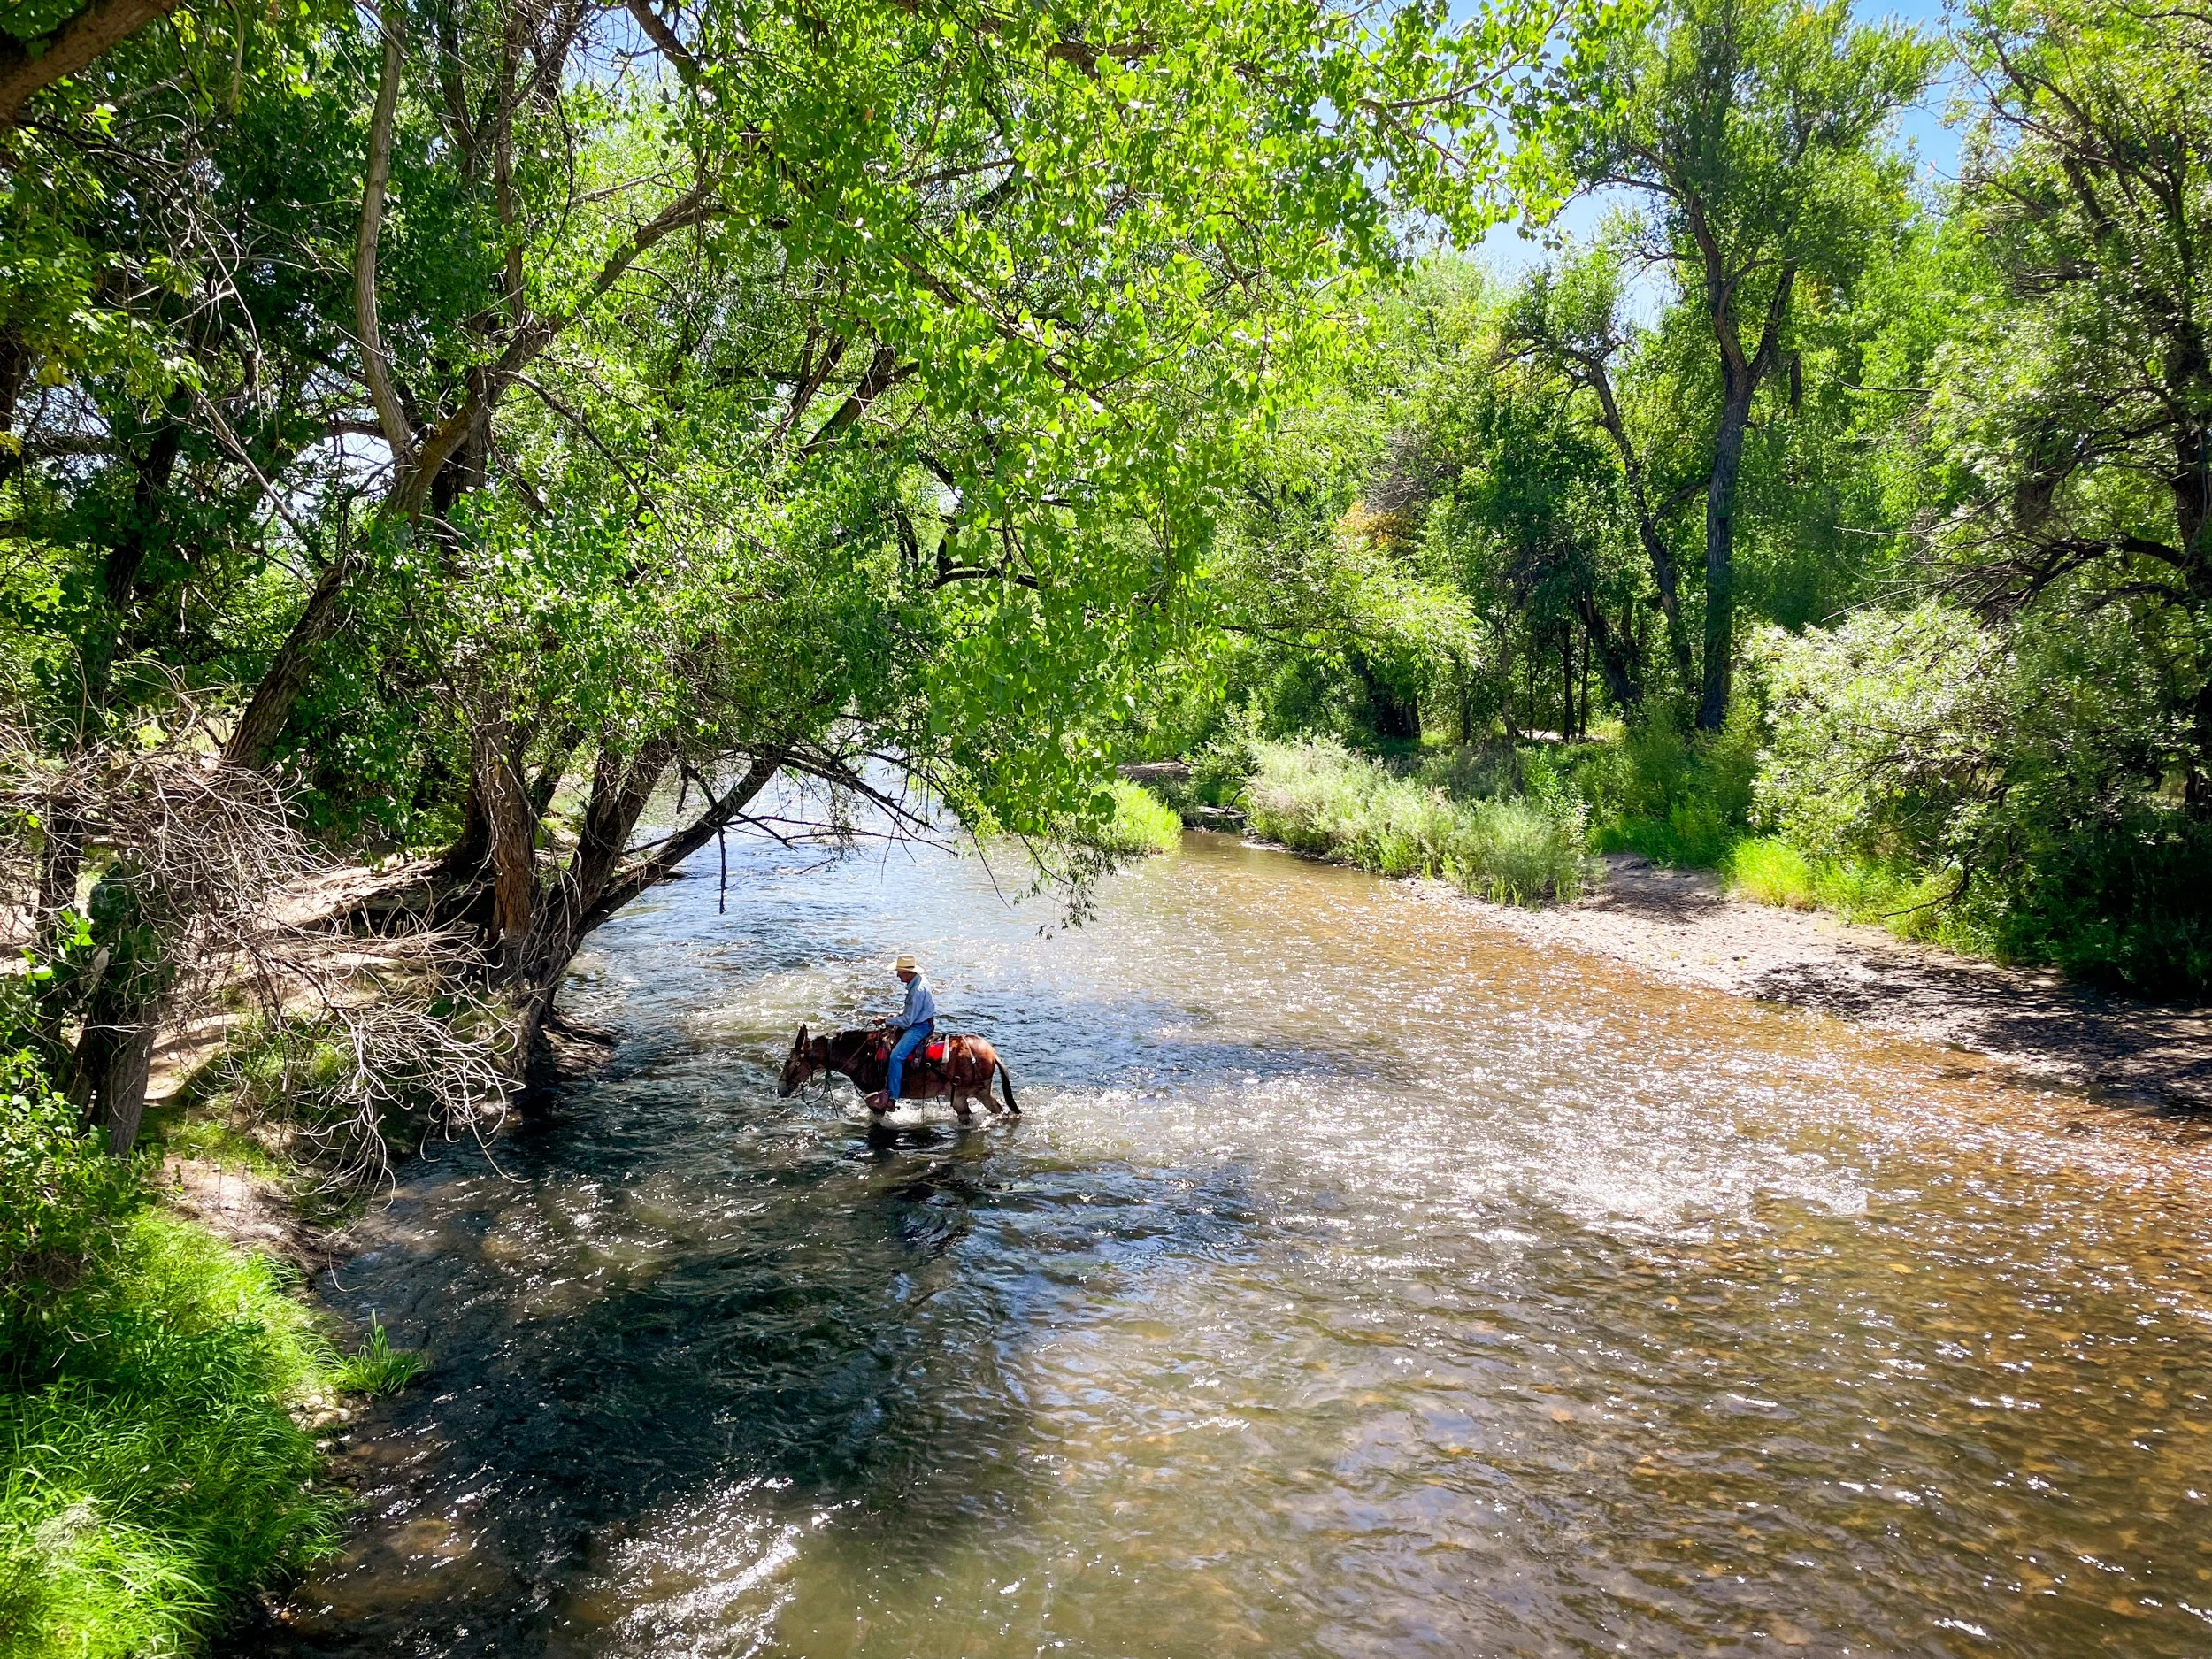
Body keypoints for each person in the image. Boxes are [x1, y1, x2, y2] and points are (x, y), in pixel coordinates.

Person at [872, 954, 936, 1110]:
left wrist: (885, 1020)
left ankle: (892, 1098)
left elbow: (908, 1022)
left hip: (920, 1026)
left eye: (899, 972)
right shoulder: (920, 981)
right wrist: (899, 1014)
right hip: (922, 1019)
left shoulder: (916, 991)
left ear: (908, 973)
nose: (897, 975)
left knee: (896, 1056)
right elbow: (912, 1011)